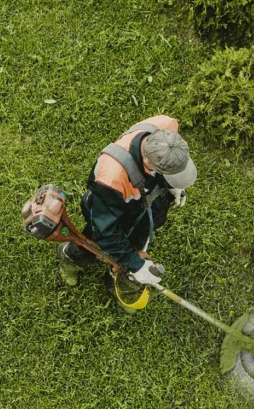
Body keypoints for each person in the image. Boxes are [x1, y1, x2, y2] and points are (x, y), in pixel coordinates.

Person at [57, 115, 197, 294]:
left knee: (136, 239)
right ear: (148, 162)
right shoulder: (112, 178)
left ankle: (116, 277)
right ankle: (71, 257)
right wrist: (136, 264)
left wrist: (172, 186)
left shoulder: (166, 125)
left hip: (145, 202)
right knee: (97, 242)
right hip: (114, 209)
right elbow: (106, 231)